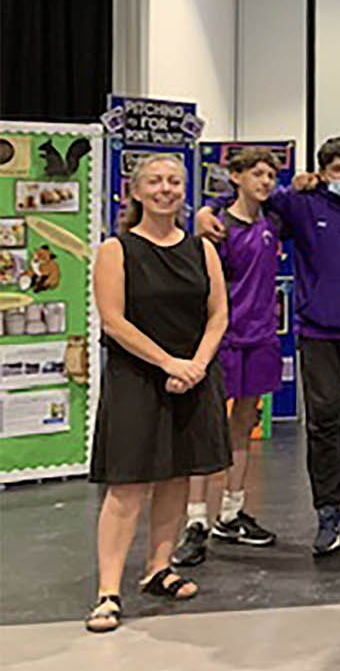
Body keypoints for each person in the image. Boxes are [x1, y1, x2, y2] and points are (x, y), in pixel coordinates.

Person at [195, 136, 340, 555]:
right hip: (317, 332)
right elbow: (248, 193)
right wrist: (207, 211)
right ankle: (327, 511)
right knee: (324, 419)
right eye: (338, 170)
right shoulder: (302, 203)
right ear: (324, 172)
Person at [87, 154, 230, 632]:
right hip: (138, 380)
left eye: (173, 181)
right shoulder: (116, 249)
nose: (166, 188)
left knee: (176, 477)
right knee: (127, 485)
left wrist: (196, 366)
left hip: (192, 374)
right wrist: (170, 363)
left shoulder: (202, 250)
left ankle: (158, 569)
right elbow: (114, 321)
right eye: (155, 181)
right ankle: (109, 590)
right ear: (137, 190)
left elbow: (218, 315)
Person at [171, 148, 282, 568]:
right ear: (235, 176)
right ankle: (195, 519)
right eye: (257, 173)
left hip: (262, 338)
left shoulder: (274, 222)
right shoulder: (216, 229)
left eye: (271, 174)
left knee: (245, 423)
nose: (266, 181)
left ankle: (231, 512)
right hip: (223, 340)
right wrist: (206, 209)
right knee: (207, 426)